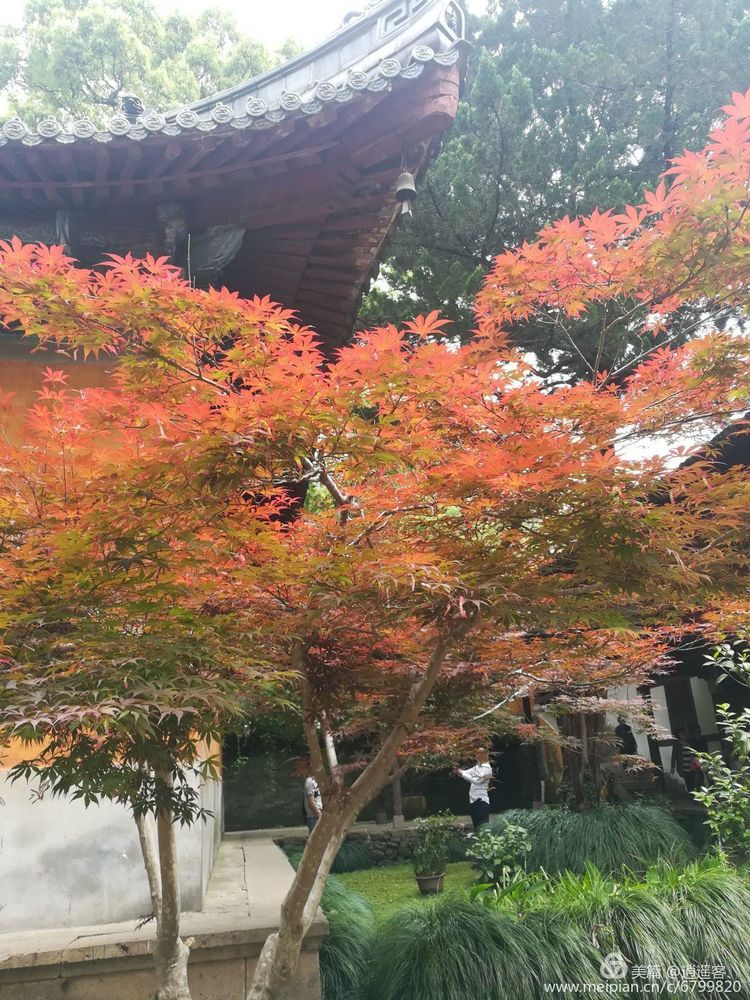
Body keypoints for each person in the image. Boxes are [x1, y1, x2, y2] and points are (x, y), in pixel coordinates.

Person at [456, 748, 493, 830]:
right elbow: (467, 772)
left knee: (483, 828)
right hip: (474, 802)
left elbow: (478, 781)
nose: (476, 755)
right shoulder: (477, 767)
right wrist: (460, 772)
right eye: (476, 753)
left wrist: (463, 774)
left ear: (485, 754)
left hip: (481, 802)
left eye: (479, 753)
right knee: (476, 828)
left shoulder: (487, 769)